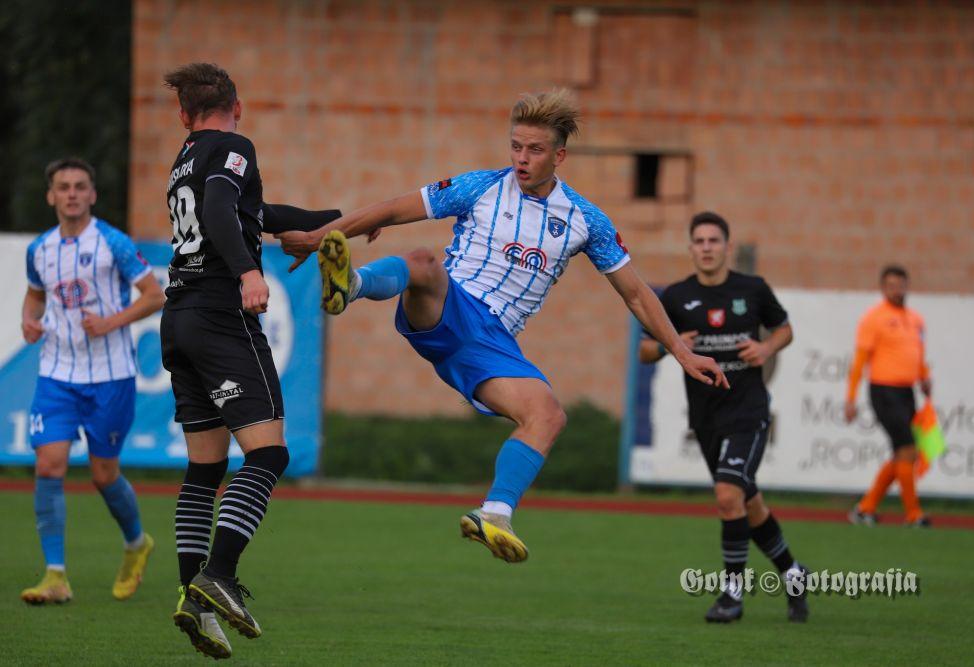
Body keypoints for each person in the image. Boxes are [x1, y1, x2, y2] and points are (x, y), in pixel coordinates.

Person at [278, 89, 727, 565]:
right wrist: (318, 237)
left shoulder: (585, 220)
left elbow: (635, 292)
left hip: (491, 344)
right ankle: (351, 286)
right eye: (516, 146)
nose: (521, 158)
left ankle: (494, 513)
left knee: (548, 416)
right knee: (424, 262)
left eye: (534, 150)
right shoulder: (480, 187)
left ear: (559, 156)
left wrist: (681, 352)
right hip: (448, 306)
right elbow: (392, 209)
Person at [162, 63, 342, 659]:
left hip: (180, 317)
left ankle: (192, 598)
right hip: (220, 315)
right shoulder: (234, 147)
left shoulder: (185, 160)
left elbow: (255, 214)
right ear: (236, 107)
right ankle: (218, 574)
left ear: (183, 116)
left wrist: (336, 221)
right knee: (268, 454)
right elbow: (221, 210)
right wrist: (247, 272)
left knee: (205, 470)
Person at [640, 212, 808, 623]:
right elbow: (644, 350)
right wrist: (671, 346)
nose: (707, 247)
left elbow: (784, 329)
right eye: (699, 241)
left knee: (728, 494)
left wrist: (766, 349)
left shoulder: (752, 289)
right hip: (706, 417)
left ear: (727, 247)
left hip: (748, 410)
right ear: (690, 248)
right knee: (748, 503)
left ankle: (732, 595)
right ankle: (793, 573)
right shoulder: (676, 296)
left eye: (714, 240)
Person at [20, 157, 164, 605]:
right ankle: (55, 576)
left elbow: (154, 295)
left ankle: (136, 543)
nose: (72, 194)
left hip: (110, 375)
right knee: (49, 465)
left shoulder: (113, 243)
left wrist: (110, 322)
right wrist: (28, 320)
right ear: (51, 195)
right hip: (57, 373)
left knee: (104, 474)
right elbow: (35, 295)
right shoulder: (40, 249)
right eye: (63, 186)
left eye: (80, 186)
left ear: (92, 194)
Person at [845, 265, 931, 527]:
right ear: (883, 288)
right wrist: (850, 398)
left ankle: (865, 508)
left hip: (907, 392)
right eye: (891, 286)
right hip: (884, 390)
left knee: (902, 453)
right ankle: (913, 514)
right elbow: (860, 361)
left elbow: (918, 354)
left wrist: (924, 377)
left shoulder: (915, 319)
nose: (897, 290)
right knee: (908, 449)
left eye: (901, 285)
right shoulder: (874, 318)